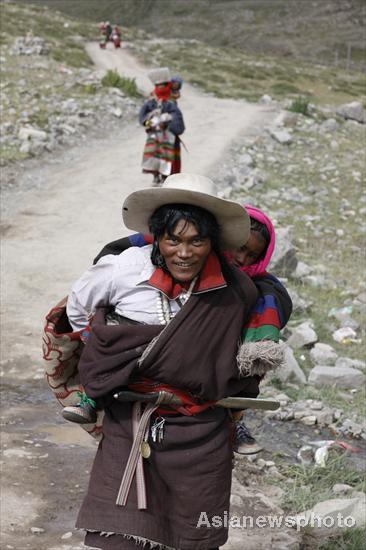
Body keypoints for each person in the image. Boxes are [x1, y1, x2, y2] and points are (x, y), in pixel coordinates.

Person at [64, 173, 285, 550]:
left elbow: (240, 358)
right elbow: (80, 312)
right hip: (132, 421)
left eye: (197, 241)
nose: (185, 252)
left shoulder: (236, 290)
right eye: (174, 239)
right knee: (121, 536)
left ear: (212, 242)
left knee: (195, 536)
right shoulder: (123, 269)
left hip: (201, 433)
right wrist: (112, 358)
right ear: (157, 236)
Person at [63, 204, 291, 456]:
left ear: (211, 241)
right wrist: (92, 341)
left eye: (252, 255)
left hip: (199, 403)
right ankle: (93, 396)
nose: (242, 259)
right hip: (130, 395)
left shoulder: (246, 290)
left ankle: (234, 420)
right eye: (173, 240)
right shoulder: (128, 264)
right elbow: (80, 304)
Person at [139, 67, 185, 186]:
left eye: (163, 85)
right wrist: (151, 122)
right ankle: (156, 176)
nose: (160, 88)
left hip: (169, 133)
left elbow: (177, 117)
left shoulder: (171, 101)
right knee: (154, 154)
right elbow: (143, 119)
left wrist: (169, 121)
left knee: (168, 156)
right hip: (155, 133)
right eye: (158, 86)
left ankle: (166, 178)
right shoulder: (151, 101)